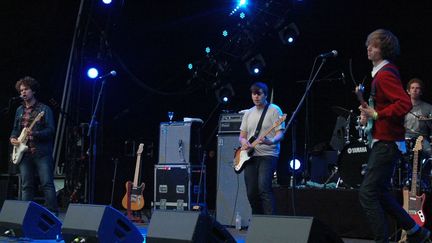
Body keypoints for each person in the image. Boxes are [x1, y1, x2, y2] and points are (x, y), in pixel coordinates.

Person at [358, 29, 430, 242]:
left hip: (387, 143)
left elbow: (404, 102)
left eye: (375, 45)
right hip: (386, 141)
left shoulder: (385, 73)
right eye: (369, 44)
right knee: (380, 193)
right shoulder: (381, 73)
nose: (369, 48)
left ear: (384, 50)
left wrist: (378, 114)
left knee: (367, 193)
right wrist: (369, 116)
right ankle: (418, 232)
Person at [9, 76, 58, 214]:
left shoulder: (44, 109)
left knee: (47, 183)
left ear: (33, 91)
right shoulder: (19, 110)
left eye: (26, 89)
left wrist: (34, 134)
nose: (23, 92)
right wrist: (13, 137)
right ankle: (26, 214)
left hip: (41, 153)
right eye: (21, 90)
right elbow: (15, 129)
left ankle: (52, 214)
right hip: (24, 153)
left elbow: (50, 130)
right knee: (26, 186)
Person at [239, 82, 285, 215]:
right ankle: (258, 220)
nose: (256, 97)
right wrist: (244, 142)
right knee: (251, 192)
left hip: (268, 155)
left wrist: (271, 141)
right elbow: (242, 136)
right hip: (251, 156)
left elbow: (280, 134)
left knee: (263, 188)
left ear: (265, 95)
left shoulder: (275, 110)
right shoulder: (248, 113)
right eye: (254, 94)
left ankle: (270, 223)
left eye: (259, 94)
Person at [404, 78, 432, 156]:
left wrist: (426, 120)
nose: (414, 90)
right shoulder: (402, 106)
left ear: (421, 92)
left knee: (429, 153)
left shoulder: (428, 107)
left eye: (417, 88)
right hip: (404, 137)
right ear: (408, 91)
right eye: (412, 88)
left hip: (422, 138)